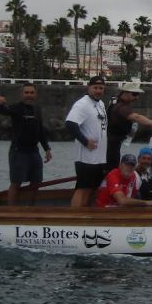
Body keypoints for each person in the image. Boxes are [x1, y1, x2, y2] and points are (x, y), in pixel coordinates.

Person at [0, 83, 52, 205]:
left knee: (36, 183)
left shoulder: (37, 109)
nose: (29, 95)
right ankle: (12, 213)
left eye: (31, 92)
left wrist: (47, 149)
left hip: (34, 152)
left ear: (35, 94)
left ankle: (30, 210)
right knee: (16, 183)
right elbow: (3, 110)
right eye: (26, 93)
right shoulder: (16, 108)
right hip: (18, 151)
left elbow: (40, 130)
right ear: (22, 94)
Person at [65, 75, 108, 207]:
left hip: (99, 157)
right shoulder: (82, 104)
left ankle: (84, 216)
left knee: (92, 188)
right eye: (95, 88)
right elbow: (70, 123)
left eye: (101, 88)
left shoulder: (100, 104)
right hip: (86, 158)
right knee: (82, 188)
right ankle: (74, 218)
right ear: (88, 87)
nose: (98, 91)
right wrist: (85, 141)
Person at [105, 81, 152, 171]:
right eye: (134, 94)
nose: (136, 97)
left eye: (138, 95)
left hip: (111, 141)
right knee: (112, 167)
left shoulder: (115, 101)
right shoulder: (121, 107)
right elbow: (137, 117)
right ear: (125, 92)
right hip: (112, 143)